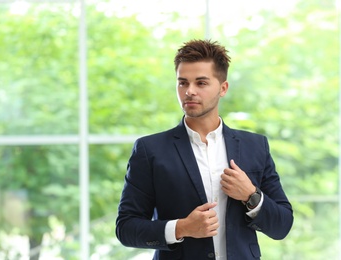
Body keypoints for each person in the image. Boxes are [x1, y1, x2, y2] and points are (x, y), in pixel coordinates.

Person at [116, 39, 293, 260]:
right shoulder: (149, 150)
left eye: (201, 83)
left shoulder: (255, 146)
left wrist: (251, 195)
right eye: (182, 83)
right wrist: (181, 228)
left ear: (223, 88)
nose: (189, 91)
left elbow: (282, 225)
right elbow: (126, 228)